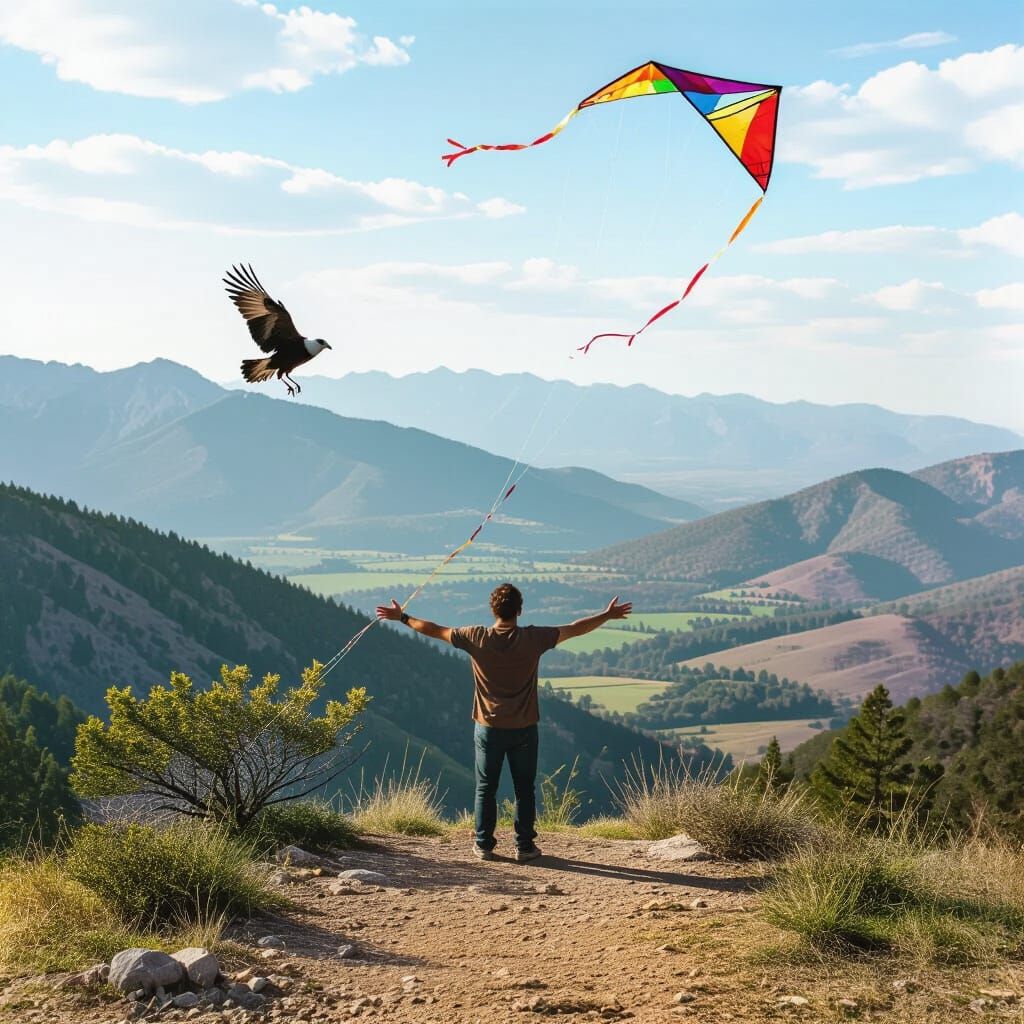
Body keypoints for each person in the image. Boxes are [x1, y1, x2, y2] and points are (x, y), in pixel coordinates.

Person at [376, 583, 631, 862]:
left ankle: (484, 845)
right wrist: (606, 615)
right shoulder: (535, 639)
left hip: (488, 727)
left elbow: (435, 630)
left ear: (493, 609)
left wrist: (402, 617)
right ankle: (524, 847)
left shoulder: (476, 637)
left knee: (486, 787)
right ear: (519, 610)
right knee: (525, 788)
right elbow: (574, 628)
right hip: (524, 728)